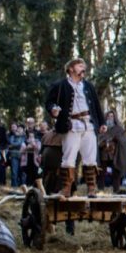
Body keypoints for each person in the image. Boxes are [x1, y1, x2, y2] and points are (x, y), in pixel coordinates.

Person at [45, 57, 104, 198]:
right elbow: (49, 102)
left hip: (88, 124)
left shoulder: (88, 86)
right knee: (68, 158)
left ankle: (91, 189)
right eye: (79, 65)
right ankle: (66, 188)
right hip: (71, 125)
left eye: (84, 65)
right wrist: (53, 109)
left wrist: (101, 123)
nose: (83, 67)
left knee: (90, 158)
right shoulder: (60, 85)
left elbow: (96, 105)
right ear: (71, 68)